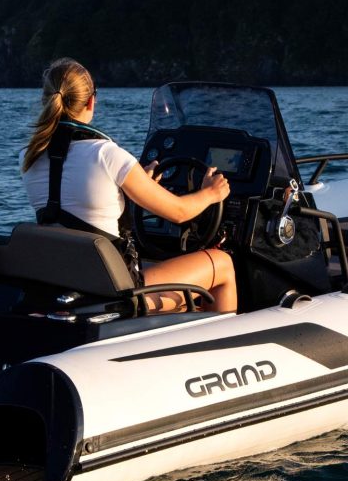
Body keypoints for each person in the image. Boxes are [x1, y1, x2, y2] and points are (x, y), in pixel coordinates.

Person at [20, 58, 237, 313]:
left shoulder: (29, 156)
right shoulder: (106, 154)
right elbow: (179, 212)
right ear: (91, 101)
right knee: (222, 264)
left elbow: (77, 203)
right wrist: (211, 192)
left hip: (66, 281)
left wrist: (137, 184)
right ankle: (217, 348)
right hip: (116, 292)